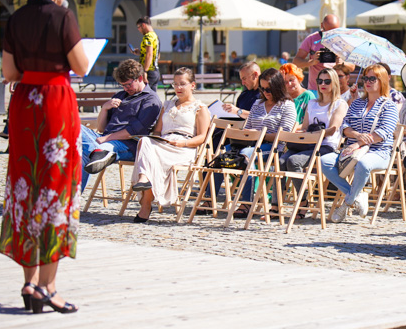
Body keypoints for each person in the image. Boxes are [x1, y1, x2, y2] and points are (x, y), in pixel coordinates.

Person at [0, 0, 89, 314]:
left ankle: (28, 281)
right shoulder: (63, 16)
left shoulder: (15, 18)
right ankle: (48, 286)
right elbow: (81, 66)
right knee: (56, 187)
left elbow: (8, 72)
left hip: (24, 104)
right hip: (54, 104)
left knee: (26, 186)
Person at [130, 68, 211, 222]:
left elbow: (202, 137)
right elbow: (158, 131)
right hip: (164, 143)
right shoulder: (167, 105)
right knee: (146, 141)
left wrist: (182, 143)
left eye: (182, 84)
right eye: (175, 84)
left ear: (192, 85)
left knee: (147, 148)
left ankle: (145, 203)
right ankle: (144, 181)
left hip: (185, 147)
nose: (178, 88)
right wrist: (159, 140)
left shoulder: (200, 108)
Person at [321, 64, 398, 222]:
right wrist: (357, 136)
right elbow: (344, 126)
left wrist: (358, 143)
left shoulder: (389, 106)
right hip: (352, 151)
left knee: (362, 164)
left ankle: (346, 204)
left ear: (382, 80)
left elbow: (383, 133)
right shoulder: (357, 103)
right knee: (325, 161)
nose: (367, 82)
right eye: (365, 78)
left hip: (379, 152)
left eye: (372, 79)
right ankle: (356, 195)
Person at [81, 59, 162, 191]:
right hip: (107, 139)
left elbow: (134, 131)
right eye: (122, 85)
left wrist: (106, 138)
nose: (125, 88)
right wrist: (105, 108)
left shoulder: (150, 100)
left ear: (140, 78)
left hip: (128, 144)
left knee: (84, 155)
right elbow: (101, 128)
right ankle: (97, 152)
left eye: (128, 84)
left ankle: (99, 151)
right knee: (75, 128)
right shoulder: (120, 95)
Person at [273, 68, 347, 211]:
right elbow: (305, 127)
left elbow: (332, 130)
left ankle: (303, 201)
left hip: (325, 145)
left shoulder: (339, 104)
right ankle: (276, 206)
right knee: (280, 161)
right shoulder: (312, 103)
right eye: (320, 81)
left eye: (327, 81)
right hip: (307, 143)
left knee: (293, 161)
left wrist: (315, 133)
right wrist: (293, 131)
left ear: (335, 83)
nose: (323, 84)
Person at [231, 68, 297, 219]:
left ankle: (247, 202)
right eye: (262, 88)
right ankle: (209, 199)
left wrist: (261, 135)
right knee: (224, 154)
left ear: (278, 87)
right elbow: (247, 128)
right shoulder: (258, 103)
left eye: (269, 89)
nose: (266, 92)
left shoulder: (287, 105)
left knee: (246, 155)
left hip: (274, 149)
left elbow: (284, 135)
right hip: (252, 145)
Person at [293, 14, 342, 91]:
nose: (330, 35)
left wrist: (342, 62)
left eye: (334, 32)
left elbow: (352, 67)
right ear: (322, 25)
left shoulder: (343, 40)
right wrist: (311, 62)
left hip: (334, 90)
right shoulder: (311, 39)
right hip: (315, 89)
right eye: (328, 31)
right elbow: (296, 62)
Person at [132, 17, 160, 88]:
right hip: (155, 71)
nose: (138, 29)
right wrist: (141, 52)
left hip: (149, 72)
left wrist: (144, 71)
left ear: (143, 25)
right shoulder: (155, 36)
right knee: (152, 97)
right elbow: (157, 55)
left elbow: (149, 54)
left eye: (138, 27)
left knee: (143, 95)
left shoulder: (148, 36)